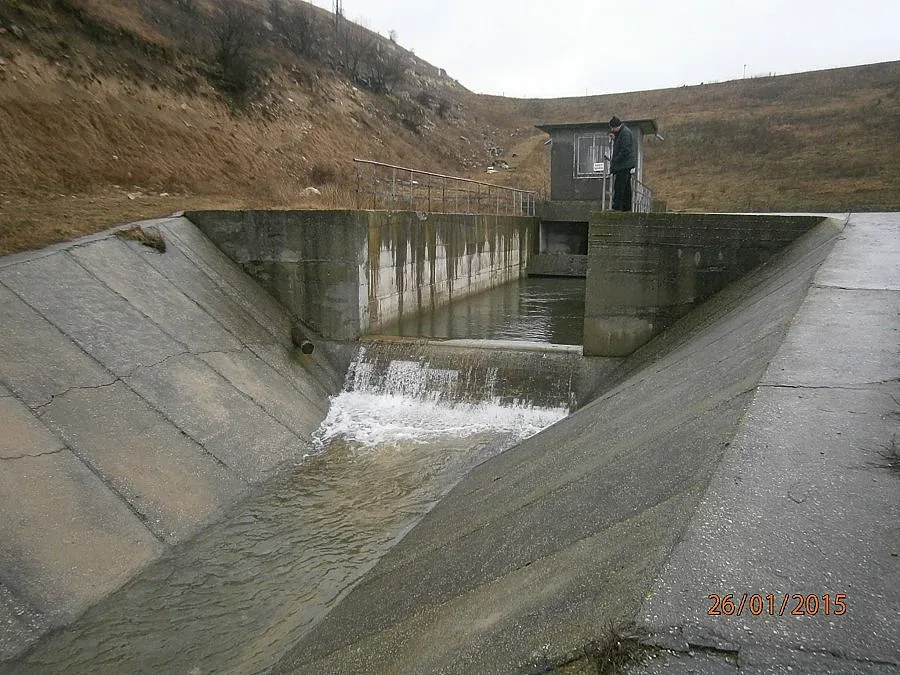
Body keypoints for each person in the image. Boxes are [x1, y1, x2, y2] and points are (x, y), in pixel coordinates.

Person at [609, 116, 636, 211]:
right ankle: (626, 208)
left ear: (616, 126)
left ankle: (617, 207)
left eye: (612, 128)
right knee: (626, 187)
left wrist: (616, 160)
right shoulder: (623, 132)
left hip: (623, 165)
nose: (612, 130)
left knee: (619, 186)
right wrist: (615, 138)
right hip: (626, 164)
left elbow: (625, 149)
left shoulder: (624, 133)